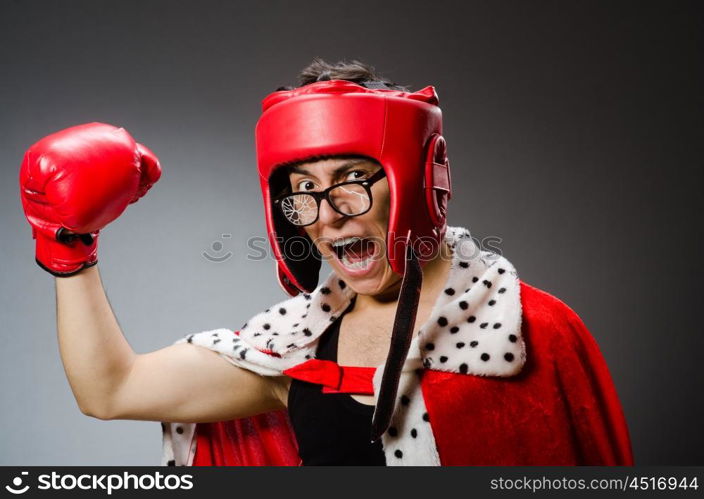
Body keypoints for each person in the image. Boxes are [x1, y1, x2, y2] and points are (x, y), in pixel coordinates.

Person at [19, 59, 634, 466]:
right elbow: (112, 390)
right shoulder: (297, 341)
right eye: (304, 188)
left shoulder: (532, 332)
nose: (329, 212)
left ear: (420, 180)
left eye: (352, 179)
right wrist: (69, 248)